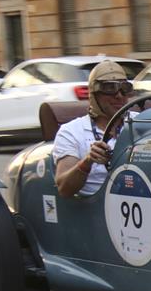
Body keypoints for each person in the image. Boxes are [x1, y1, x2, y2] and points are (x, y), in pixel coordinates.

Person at [53, 60, 136, 198]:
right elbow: (64, 188)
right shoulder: (71, 132)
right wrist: (88, 161)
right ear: (94, 94)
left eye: (124, 88)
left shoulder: (142, 121)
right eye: (109, 88)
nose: (119, 95)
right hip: (96, 205)